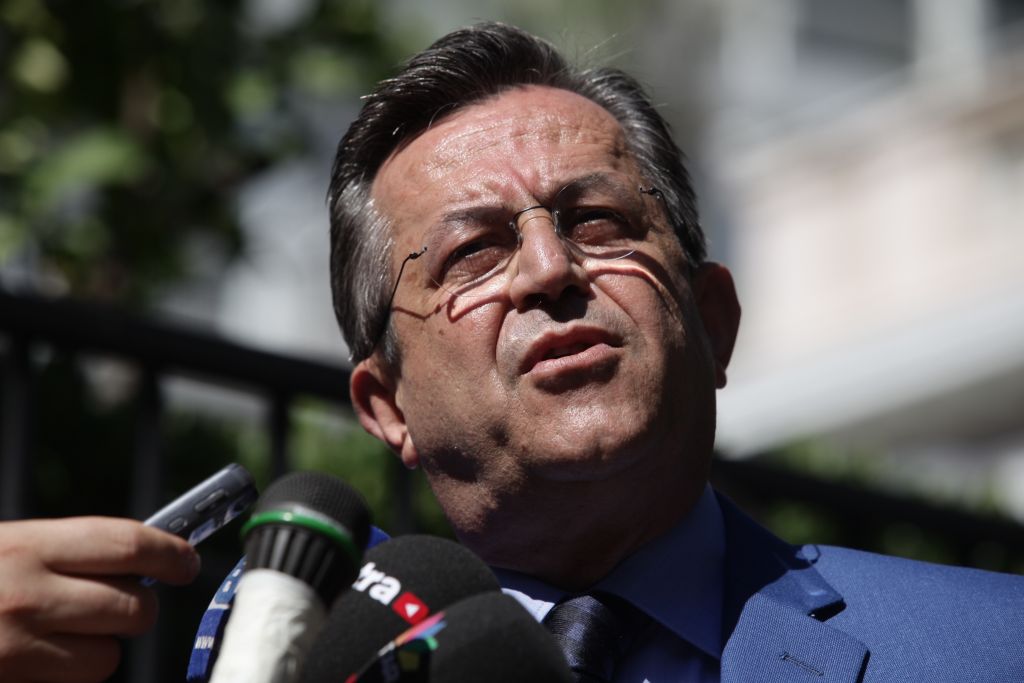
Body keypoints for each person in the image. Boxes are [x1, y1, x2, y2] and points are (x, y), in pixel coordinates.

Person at [1, 21, 1022, 683]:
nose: (548, 268)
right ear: (385, 404)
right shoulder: (288, 659)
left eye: (599, 222)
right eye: (473, 252)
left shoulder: (992, 646)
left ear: (714, 320)